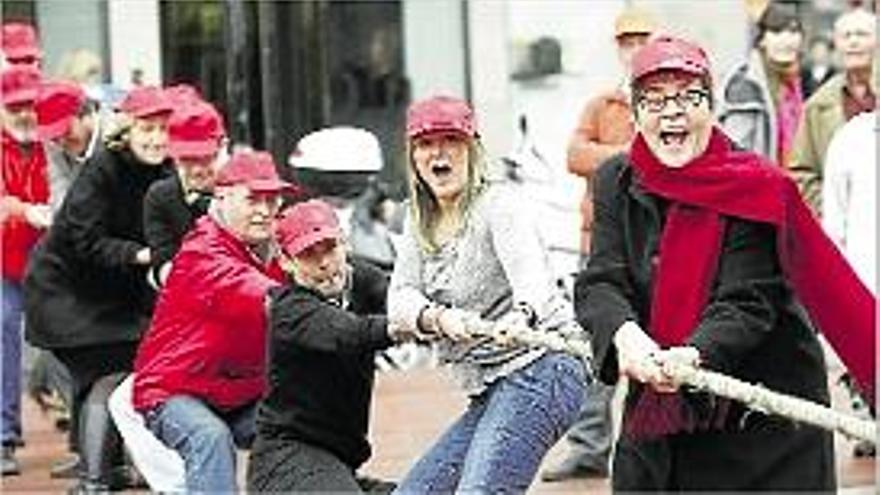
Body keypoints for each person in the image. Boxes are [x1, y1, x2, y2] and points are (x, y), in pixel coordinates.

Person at [576, 34, 874, 491]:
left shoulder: (753, 187)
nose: (671, 111)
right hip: (658, 413)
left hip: (762, 420)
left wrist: (691, 355)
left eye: (688, 96)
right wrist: (627, 337)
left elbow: (746, 303)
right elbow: (601, 282)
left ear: (711, 107)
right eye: (653, 100)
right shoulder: (615, 180)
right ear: (634, 115)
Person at [387, 95, 587, 493]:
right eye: (426, 143)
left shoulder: (500, 205)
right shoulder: (416, 218)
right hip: (491, 386)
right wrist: (437, 318)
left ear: (472, 150)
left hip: (544, 367)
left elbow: (534, 282)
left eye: (451, 140)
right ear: (413, 156)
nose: (438, 152)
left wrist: (522, 316)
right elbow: (401, 298)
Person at [23, 85, 173, 492]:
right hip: (66, 295)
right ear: (128, 129)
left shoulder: (164, 171)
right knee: (112, 370)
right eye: (147, 128)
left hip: (104, 295)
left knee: (109, 373)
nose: (156, 137)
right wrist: (143, 256)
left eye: (163, 128)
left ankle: (102, 470)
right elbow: (84, 240)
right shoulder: (105, 167)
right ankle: (95, 478)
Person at [132, 150, 291, 493]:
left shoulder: (278, 242)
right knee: (209, 438)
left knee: (303, 420)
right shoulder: (202, 252)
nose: (265, 211)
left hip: (240, 391)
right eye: (253, 199)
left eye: (272, 199)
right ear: (222, 196)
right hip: (172, 390)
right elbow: (262, 294)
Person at [542, 6, 656, 482]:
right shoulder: (603, 104)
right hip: (605, 242)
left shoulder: (668, 98)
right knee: (599, 342)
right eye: (626, 41)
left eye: (641, 39)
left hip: (659, 243)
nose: (633, 48)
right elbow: (573, 155)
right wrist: (630, 156)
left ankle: (663, 444)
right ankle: (590, 445)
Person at [247, 199, 407, 493]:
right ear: (286, 261)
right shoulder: (289, 307)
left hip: (337, 462)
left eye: (330, 248)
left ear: (344, 243)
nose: (324, 263)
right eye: (308, 254)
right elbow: (351, 334)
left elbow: (404, 298)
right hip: (286, 459)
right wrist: (422, 322)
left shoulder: (361, 279)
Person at [0, 64, 48, 477]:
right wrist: (26, 211)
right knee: (3, 334)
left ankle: (93, 440)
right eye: (15, 107)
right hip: (4, 263)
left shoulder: (52, 141)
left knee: (71, 334)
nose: (25, 114)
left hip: (49, 263)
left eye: (31, 105)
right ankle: (3, 437)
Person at [789, 8, 876, 213]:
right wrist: (831, 210)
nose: (853, 42)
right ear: (837, 44)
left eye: (862, 34)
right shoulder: (818, 104)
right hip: (842, 230)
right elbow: (801, 171)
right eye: (846, 36)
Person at [143, 98, 225, 287]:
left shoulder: (243, 189)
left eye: (205, 158)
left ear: (223, 147)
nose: (197, 169)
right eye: (186, 159)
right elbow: (162, 260)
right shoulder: (160, 196)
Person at [718, 2, 804, 166]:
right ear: (762, 39)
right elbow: (736, 152)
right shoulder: (746, 84)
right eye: (777, 32)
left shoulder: (795, 83)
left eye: (793, 31)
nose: (786, 40)